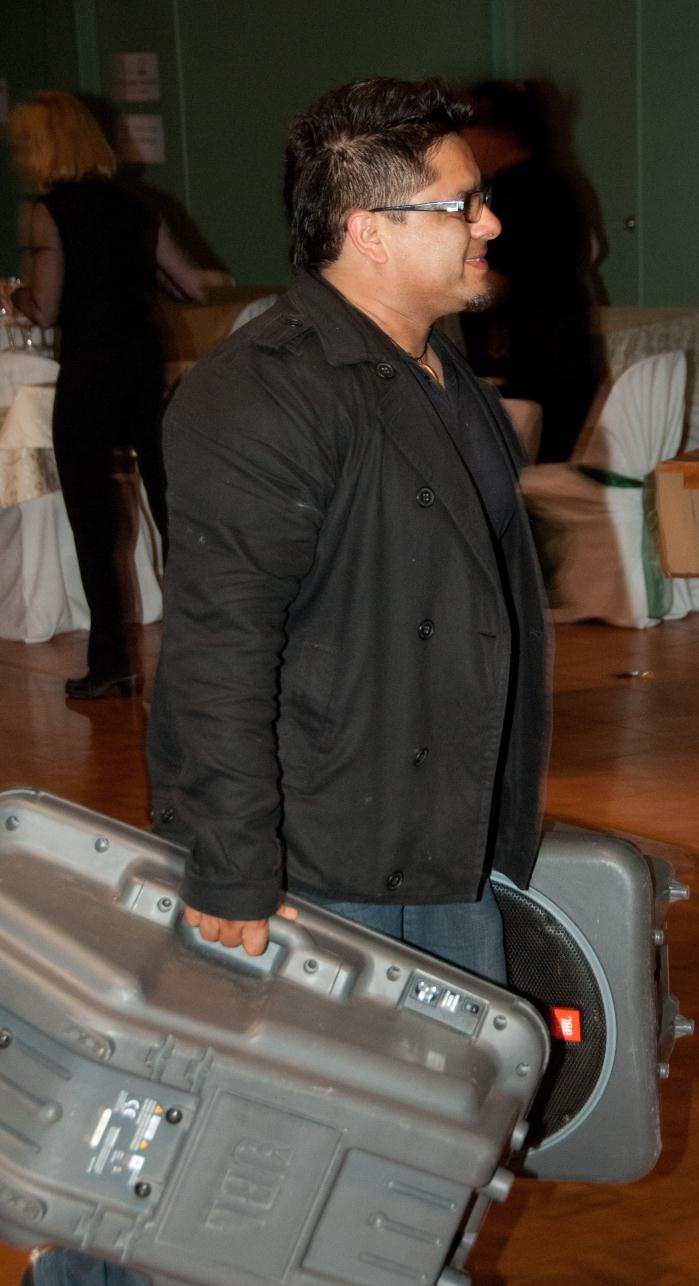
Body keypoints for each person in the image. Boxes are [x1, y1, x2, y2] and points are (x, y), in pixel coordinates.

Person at [21, 75, 550, 1286]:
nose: (488, 222)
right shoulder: (261, 389)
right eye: (461, 204)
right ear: (370, 229)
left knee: (411, 1158)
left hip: (436, 839)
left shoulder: (429, 367)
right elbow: (218, 648)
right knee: (259, 1172)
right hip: (321, 863)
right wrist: (231, 868)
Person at [5, 92, 231, 700]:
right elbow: (191, 286)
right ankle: (205, 651)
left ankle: (111, 663)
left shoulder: (47, 213)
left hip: (90, 368)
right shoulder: (137, 205)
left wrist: (14, 296)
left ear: (41, 147)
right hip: (142, 361)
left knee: (94, 519)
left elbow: (45, 307)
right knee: (169, 505)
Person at [460, 80, 603, 462]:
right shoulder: (555, 181)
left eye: (468, 127)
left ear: (500, 133)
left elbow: (496, 285)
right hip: (562, 361)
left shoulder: (517, 194)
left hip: (531, 370)